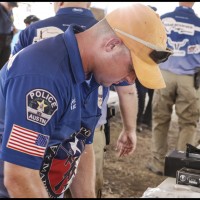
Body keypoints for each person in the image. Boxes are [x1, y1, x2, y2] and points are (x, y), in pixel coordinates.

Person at [0, 3, 171, 198]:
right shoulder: (43, 76)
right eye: (132, 68)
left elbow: (81, 145)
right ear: (111, 44)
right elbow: (19, 178)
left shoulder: (91, 74)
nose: (130, 80)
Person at [147, 2, 200, 176]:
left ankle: (158, 163)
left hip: (164, 75)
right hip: (189, 79)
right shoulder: (198, 23)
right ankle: (180, 168)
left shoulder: (163, 19)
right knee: (188, 123)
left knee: (160, 119)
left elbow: (152, 45)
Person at [135, 5, 157, 133]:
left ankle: (147, 121)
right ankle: (138, 122)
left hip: (153, 68)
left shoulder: (158, 30)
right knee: (141, 95)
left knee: (153, 97)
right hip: (141, 69)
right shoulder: (137, 29)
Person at [0, 2, 18, 69]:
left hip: (7, 38)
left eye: (12, 6)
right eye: (10, 6)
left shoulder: (10, 11)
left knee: (5, 59)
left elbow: (10, 20)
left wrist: (13, 27)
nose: (11, 8)